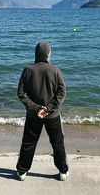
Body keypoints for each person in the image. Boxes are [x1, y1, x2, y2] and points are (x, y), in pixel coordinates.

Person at [16, 42, 69, 181]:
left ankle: (22, 171)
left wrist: (36, 108)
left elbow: (21, 93)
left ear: (36, 54)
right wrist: (48, 108)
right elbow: (62, 93)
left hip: (34, 115)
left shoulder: (28, 70)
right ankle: (63, 171)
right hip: (53, 115)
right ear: (48, 54)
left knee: (28, 142)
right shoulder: (55, 70)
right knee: (57, 142)